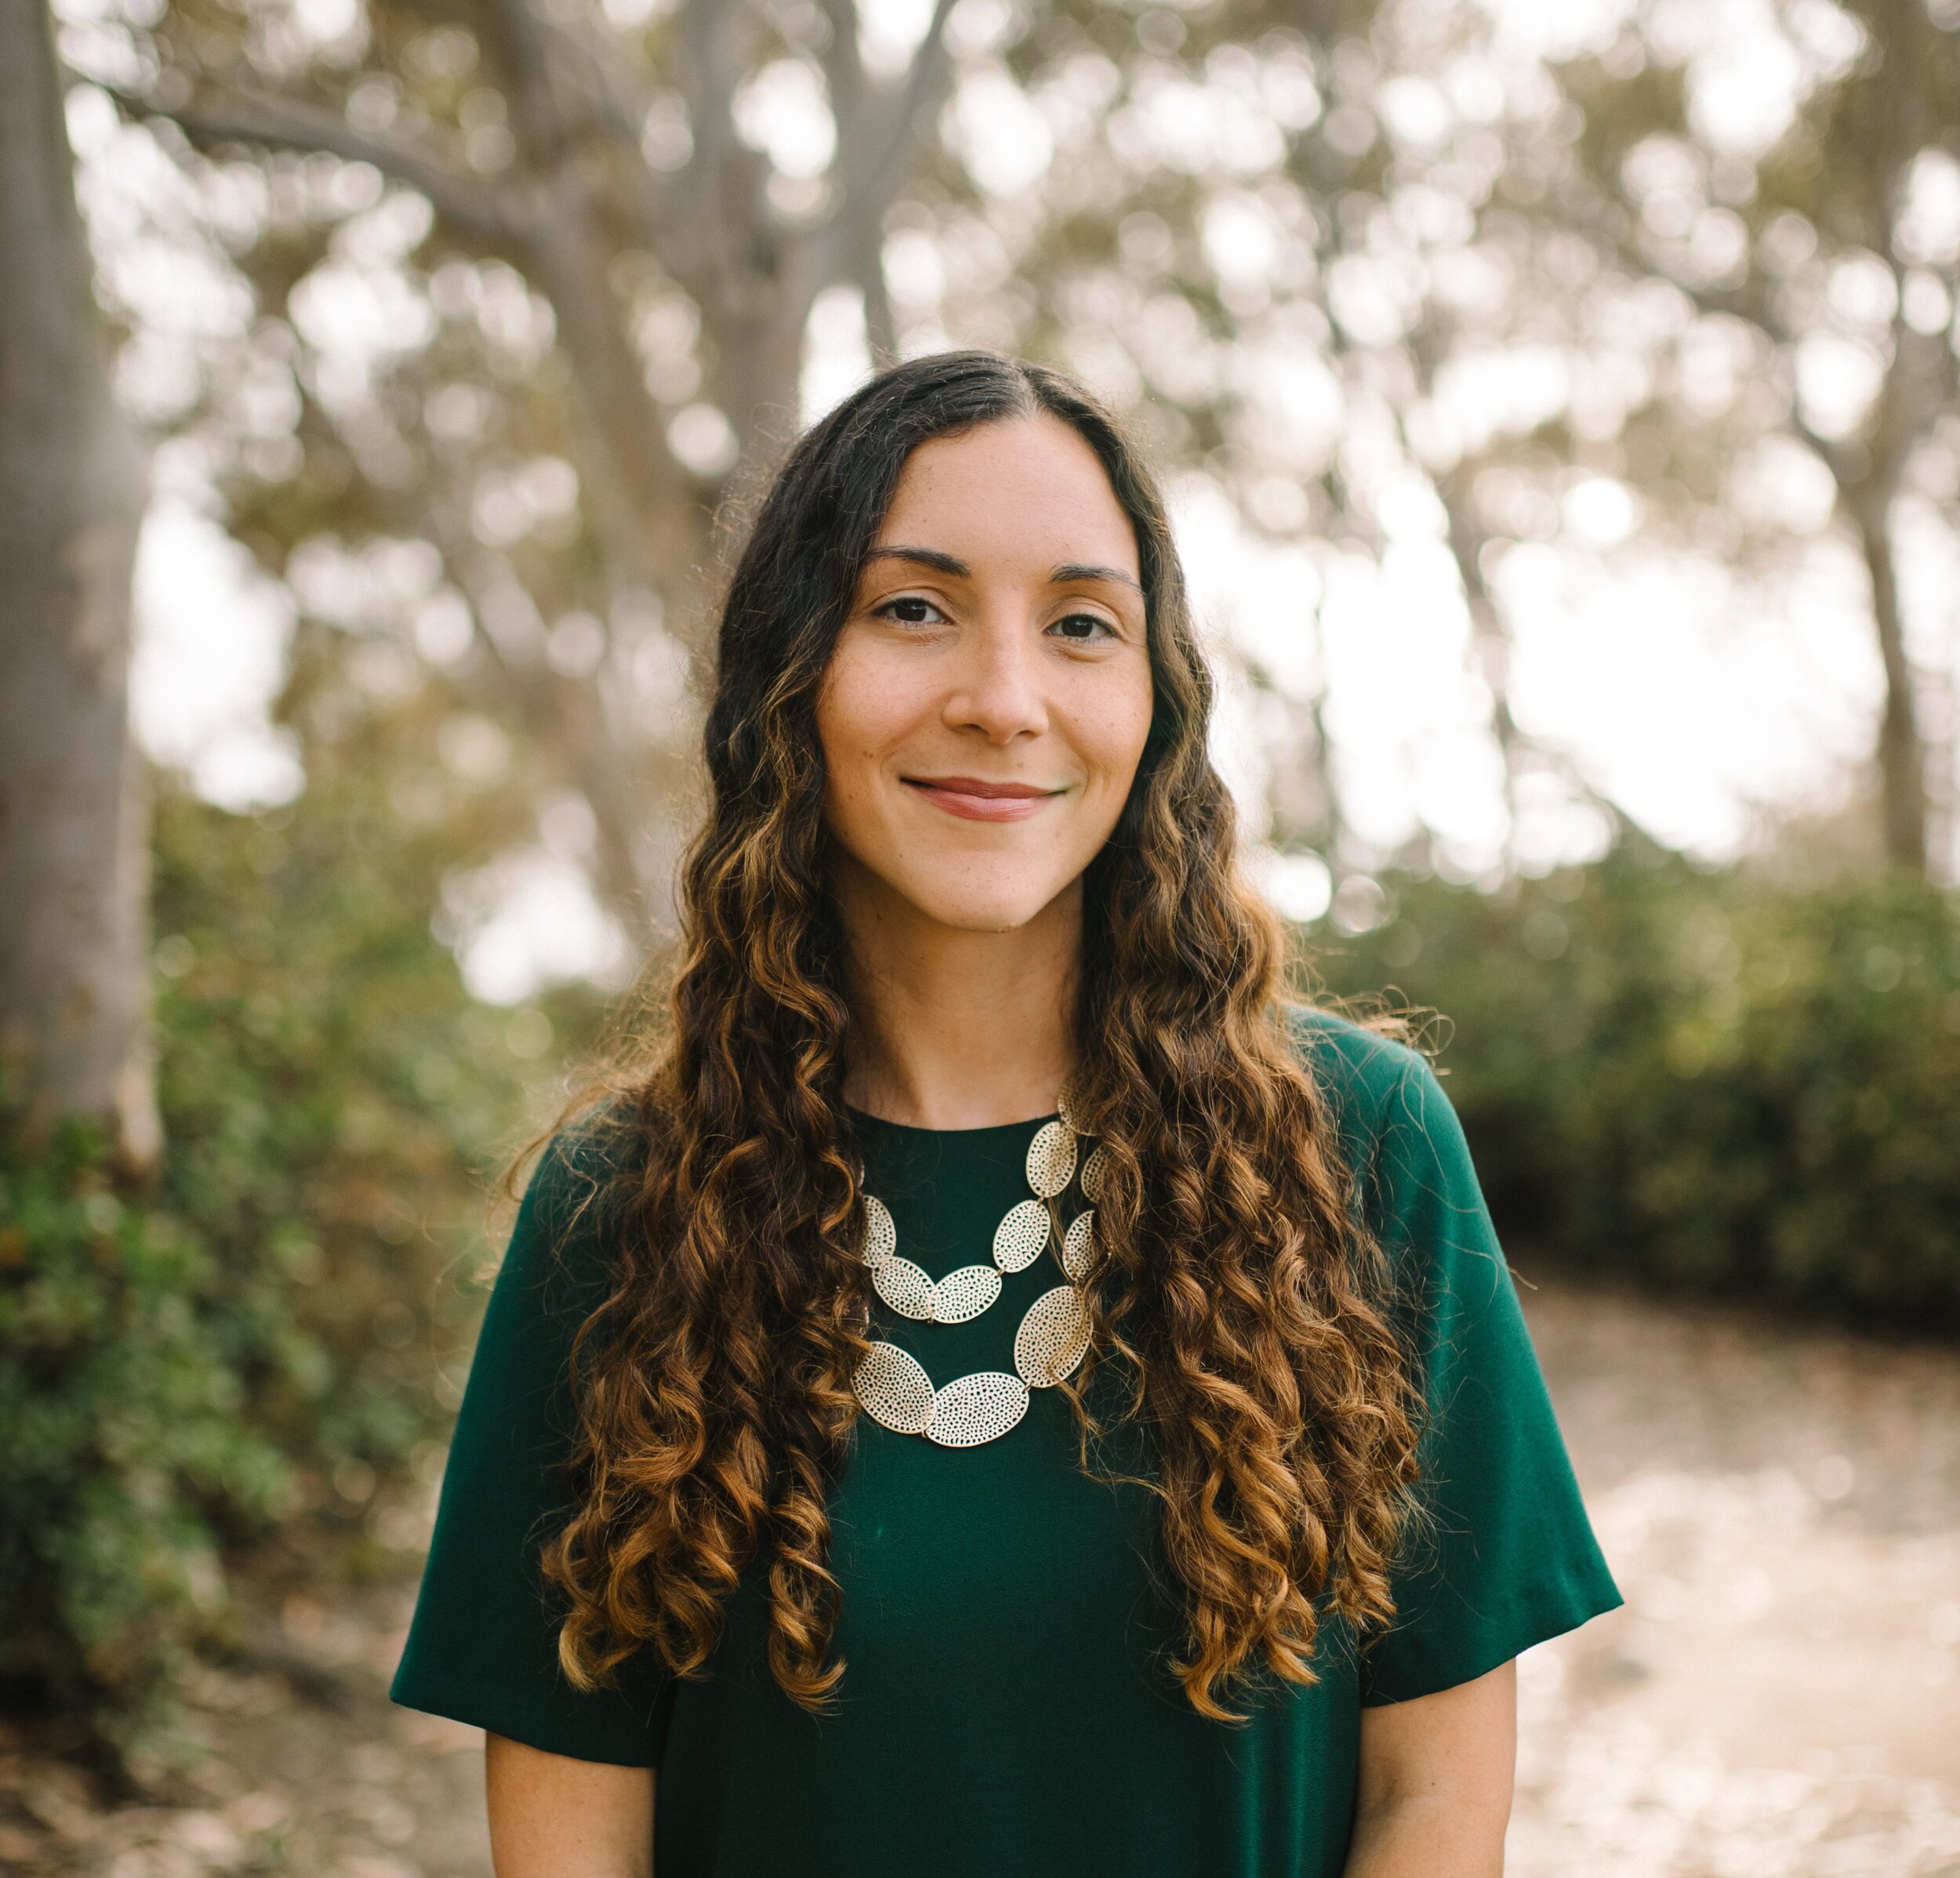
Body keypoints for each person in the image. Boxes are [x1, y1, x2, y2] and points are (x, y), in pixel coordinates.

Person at [391, 352, 1619, 1877]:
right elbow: (573, 1838)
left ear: (1154, 700)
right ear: (790, 672)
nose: (1003, 701)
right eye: (915, 608)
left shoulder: (1356, 1146)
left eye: (1081, 624)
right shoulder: (621, 1204)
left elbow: (1430, 1798)